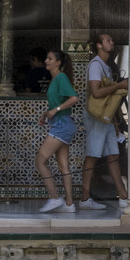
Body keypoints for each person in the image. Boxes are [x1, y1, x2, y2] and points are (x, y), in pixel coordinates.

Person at [81, 31, 127, 213]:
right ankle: (85, 198)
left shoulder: (106, 66)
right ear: (99, 45)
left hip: (106, 120)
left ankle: (123, 195)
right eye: (108, 40)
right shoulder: (95, 65)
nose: (112, 42)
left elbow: (108, 99)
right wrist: (120, 86)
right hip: (95, 118)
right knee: (92, 156)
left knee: (113, 155)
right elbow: (96, 93)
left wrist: (115, 122)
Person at [36, 46, 80, 215]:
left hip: (62, 125)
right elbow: (56, 104)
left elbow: (74, 98)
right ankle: (69, 204)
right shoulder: (56, 79)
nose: (46, 61)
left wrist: (56, 110)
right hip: (62, 124)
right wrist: (46, 113)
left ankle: (54, 197)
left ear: (58, 62)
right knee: (63, 166)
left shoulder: (61, 78)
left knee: (40, 161)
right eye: (46, 58)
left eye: (50, 59)